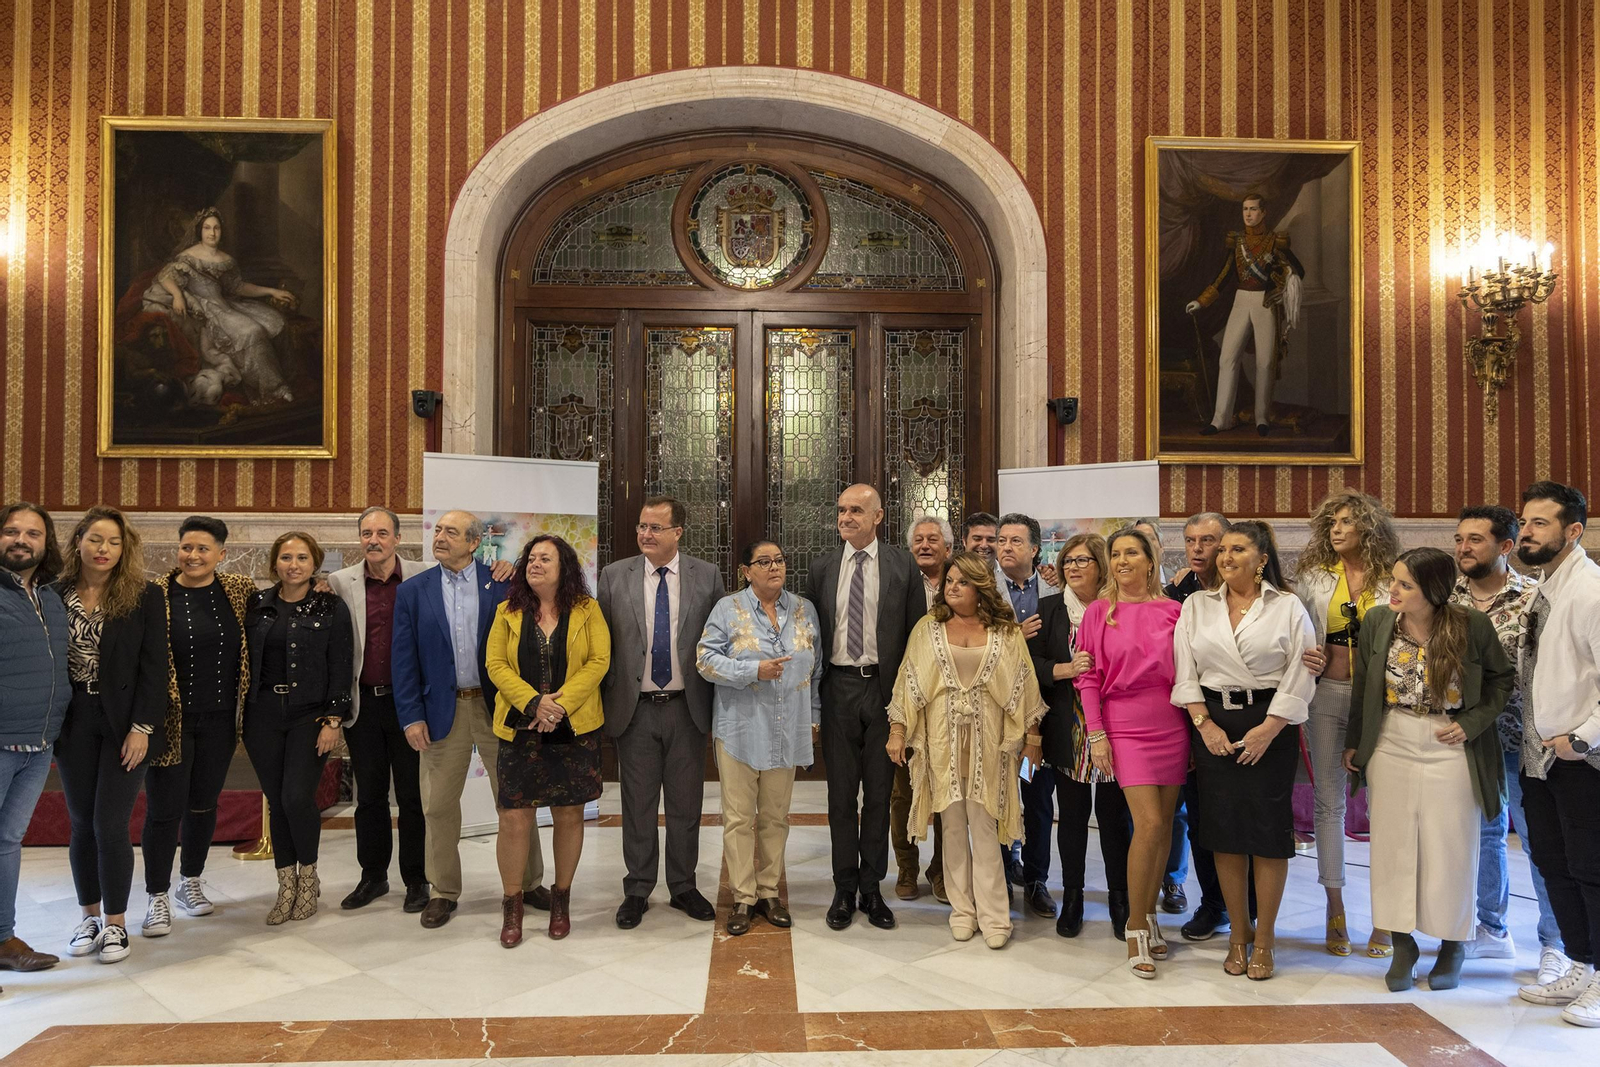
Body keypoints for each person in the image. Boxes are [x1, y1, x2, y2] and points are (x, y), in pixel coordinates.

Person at [1342, 547, 1512, 993]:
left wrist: (1470, 723)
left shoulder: (1471, 625)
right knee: (1393, 847)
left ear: (1433, 592)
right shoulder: (1380, 621)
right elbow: (1364, 685)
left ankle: (1454, 943)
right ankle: (1403, 945)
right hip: (1392, 739)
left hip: (1449, 743)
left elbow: (1501, 679)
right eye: (1393, 581)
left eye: (1405, 585)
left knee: (1451, 847)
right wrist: (1355, 742)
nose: (1392, 591)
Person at [1172, 521, 1316, 981]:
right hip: (1213, 723)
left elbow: (1302, 671)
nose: (1225, 557)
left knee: (1268, 836)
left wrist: (1269, 729)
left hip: (1270, 727)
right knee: (1225, 834)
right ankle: (1238, 934)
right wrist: (1204, 724)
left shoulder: (1288, 606)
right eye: (1223, 550)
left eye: (1237, 549)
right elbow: (1185, 670)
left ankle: (1267, 939)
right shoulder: (1196, 604)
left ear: (1262, 558)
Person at [392, 510, 545, 930]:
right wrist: (410, 717)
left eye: (451, 532)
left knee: (514, 802)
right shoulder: (413, 591)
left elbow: (526, 647)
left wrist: (529, 704)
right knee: (438, 807)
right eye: (438, 530)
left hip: (498, 708)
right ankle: (443, 891)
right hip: (441, 712)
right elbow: (403, 661)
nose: (440, 537)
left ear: (474, 543)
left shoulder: (502, 583)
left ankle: (529, 883)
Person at [887, 552, 1047, 949]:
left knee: (986, 825)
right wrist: (897, 730)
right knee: (952, 826)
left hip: (990, 741)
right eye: (950, 581)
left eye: (962, 581)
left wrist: (1033, 739)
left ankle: (995, 915)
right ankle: (962, 910)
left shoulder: (1006, 631)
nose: (952, 587)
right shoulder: (928, 628)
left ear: (981, 587)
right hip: (941, 740)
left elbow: (1025, 688)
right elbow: (908, 682)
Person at [1450, 505, 1566, 978]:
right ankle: (1491, 928)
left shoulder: (1533, 597)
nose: (1463, 548)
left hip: (1526, 737)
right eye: (1459, 539)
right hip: (1470, 738)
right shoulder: (1448, 599)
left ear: (1505, 546)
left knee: (1540, 841)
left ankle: (1557, 943)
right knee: (1483, 836)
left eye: (1475, 539)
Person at [597, 497, 722, 930]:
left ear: (677, 533)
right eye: (641, 526)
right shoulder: (614, 577)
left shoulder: (706, 577)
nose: (645, 534)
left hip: (688, 709)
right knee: (638, 805)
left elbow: (720, 641)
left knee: (687, 805)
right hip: (635, 710)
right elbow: (602, 645)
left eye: (655, 527)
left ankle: (684, 885)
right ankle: (637, 888)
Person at [806, 484, 924, 932]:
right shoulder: (821, 567)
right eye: (841, 510)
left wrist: (907, 704)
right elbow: (812, 634)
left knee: (878, 795)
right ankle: (843, 887)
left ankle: (873, 887)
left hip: (884, 690)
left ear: (878, 516)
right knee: (840, 796)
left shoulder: (902, 564)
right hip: (837, 689)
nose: (846, 517)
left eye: (856, 510)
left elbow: (916, 634)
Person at [485, 535, 610, 944]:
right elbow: (496, 665)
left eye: (545, 558)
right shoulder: (507, 611)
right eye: (531, 558)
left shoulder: (588, 610)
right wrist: (535, 702)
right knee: (514, 817)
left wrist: (560, 706)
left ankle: (561, 898)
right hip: (521, 728)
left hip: (573, 728)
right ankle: (512, 905)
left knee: (569, 815)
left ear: (565, 567)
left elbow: (598, 661)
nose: (535, 564)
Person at [55, 508, 166, 964]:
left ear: (125, 548)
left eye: (114, 542)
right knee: (81, 823)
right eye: (96, 539)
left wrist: (143, 727)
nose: (104, 549)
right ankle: (89, 916)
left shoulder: (144, 595)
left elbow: (154, 669)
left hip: (125, 721)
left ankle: (116, 925)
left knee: (109, 823)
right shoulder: (52, 593)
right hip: (73, 717)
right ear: (78, 541)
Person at [1074, 527, 1186, 978]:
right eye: (1115, 554)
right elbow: (1087, 679)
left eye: (1131, 554)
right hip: (1123, 724)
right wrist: (1096, 735)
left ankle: (1152, 915)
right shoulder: (1099, 612)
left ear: (1149, 561)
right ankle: (1135, 925)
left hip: (1172, 724)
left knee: (1163, 831)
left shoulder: (1174, 611)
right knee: (1151, 823)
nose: (1121, 561)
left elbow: (1191, 671)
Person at [696, 540, 823, 935]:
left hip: (788, 729)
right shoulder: (727, 609)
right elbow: (704, 659)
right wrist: (753, 670)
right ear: (746, 571)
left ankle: (769, 892)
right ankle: (742, 897)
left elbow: (815, 671)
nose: (774, 567)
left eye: (780, 560)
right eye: (764, 562)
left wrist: (814, 719)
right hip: (740, 729)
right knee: (738, 818)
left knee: (775, 817)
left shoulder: (804, 609)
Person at [1297, 490, 1401, 957]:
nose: (1337, 529)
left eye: (1347, 522)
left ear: (1369, 527)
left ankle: (1387, 915)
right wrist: (1309, 653)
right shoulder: (1316, 579)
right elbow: (1296, 632)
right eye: (1332, 522)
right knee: (1328, 804)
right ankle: (1334, 906)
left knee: (1385, 809)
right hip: (1327, 697)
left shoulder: (1393, 579)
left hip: (1381, 703)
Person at [141, 515, 256, 937]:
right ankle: (156, 895)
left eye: (203, 549)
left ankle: (190, 881)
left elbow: (281, 602)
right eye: (187, 547)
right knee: (163, 809)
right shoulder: (155, 594)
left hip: (221, 718)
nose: (193, 555)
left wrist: (320, 585)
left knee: (204, 803)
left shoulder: (239, 591)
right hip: (170, 720)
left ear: (221, 555)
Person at [1512, 481, 1600, 1025]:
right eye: (1524, 522)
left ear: (1573, 531)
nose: (1526, 531)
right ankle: (1582, 962)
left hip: (1581, 758)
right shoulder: (1543, 589)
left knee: (1592, 866)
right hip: (1538, 755)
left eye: (1540, 523)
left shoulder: (1590, 591)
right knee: (1552, 862)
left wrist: (1585, 737)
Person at [327, 507, 434, 914]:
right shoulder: (340, 582)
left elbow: (467, 573)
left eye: (382, 533)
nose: (374, 540)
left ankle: (417, 879)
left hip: (410, 706)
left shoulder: (423, 575)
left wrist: (499, 565)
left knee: (411, 797)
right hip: (364, 705)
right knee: (368, 797)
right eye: (366, 533)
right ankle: (373, 876)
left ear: (397, 538)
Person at [242, 533, 353, 924]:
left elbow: (341, 665)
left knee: (296, 797)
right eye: (286, 557)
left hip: (310, 715)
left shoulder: (331, 606)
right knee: (277, 800)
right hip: (262, 715)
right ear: (275, 563)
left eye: (302, 557)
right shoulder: (257, 605)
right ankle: (285, 883)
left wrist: (333, 718)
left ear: (314, 563)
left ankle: (308, 877)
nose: (293, 564)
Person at [1029, 532, 1133, 939]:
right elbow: (1029, 664)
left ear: (1101, 566)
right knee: (1070, 818)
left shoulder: (1119, 609)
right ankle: (1072, 897)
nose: (1072, 567)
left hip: (1114, 729)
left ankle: (1120, 899)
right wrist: (1063, 670)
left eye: (1082, 560)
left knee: (1114, 818)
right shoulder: (1048, 608)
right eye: (1068, 560)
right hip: (1064, 729)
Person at [1161, 512, 1241, 942]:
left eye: (1207, 540)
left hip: (1247, 714)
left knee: (1243, 816)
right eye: (1190, 540)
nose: (1196, 549)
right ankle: (1214, 904)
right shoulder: (1179, 593)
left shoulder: (1256, 592)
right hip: (1194, 715)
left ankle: (1250, 905)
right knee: (1201, 819)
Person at [0, 503, 69, 982]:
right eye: (10, 531)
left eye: (32, 533)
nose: (21, 540)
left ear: (46, 545)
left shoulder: (48, 595)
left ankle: (4, 938)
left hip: (38, 742)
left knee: (7, 843)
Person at [141, 206, 298, 404]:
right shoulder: (188, 257)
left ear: (221, 231)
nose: (212, 233)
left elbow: (238, 287)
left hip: (226, 306)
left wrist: (271, 291)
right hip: (207, 310)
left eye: (216, 228)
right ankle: (273, 390)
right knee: (252, 331)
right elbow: (165, 276)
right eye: (207, 228)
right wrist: (177, 295)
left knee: (276, 322)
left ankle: (286, 382)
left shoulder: (226, 260)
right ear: (200, 231)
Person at [1184, 192, 1306, 436]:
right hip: (1241, 300)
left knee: (1265, 362)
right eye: (1245, 210)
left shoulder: (1276, 241)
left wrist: (1281, 286)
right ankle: (1220, 420)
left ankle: (1262, 418)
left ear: (1263, 212)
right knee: (1227, 358)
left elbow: (1298, 271)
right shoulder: (1237, 242)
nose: (1248, 214)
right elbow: (1224, 274)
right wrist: (1202, 301)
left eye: (1253, 209)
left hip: (1265, 302)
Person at [996, 512, 1060, 918]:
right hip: (997, 712)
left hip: (1043, 714)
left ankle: (1036, 879)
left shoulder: (1055, 589)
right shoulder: (984, 589)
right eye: (1002, 540)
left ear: (1035, 549)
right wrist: (1011, 637)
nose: (1005, 547)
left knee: (1036, 796)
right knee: (1000, 796)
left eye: (1015, 541)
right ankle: (1001, 875)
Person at [895, 516, 951, 903]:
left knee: (949, 791)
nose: (925, 545)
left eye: (933, 539)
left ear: (948, 547)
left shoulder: (962, 581)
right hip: (908, 698)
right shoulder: (898, 581)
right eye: (919, 540)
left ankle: (943, 870)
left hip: (952, 701)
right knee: (903, 791)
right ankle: (907, 866)